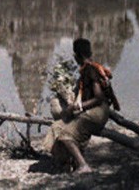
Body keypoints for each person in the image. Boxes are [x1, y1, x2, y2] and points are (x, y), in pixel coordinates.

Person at [44, 38, 118, 174]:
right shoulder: (87, 69)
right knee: (56, 127)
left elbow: (99, 98)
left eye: (75, 56)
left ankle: (83, 166)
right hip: (94, 110)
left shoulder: (90, 70)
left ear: (77, 55)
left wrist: (77, 107)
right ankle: (66, 162)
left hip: (98, 112)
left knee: (65, 133)